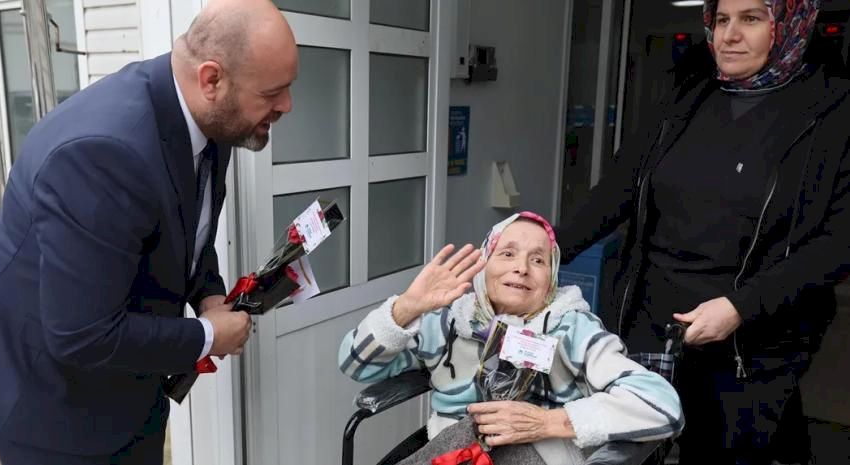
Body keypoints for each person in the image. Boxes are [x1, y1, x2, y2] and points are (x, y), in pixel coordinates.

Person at [0, 0, 297, 463]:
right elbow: (81, 335)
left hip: (123, 370)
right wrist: (207, 336)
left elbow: (190, 223)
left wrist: (208, 292)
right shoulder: (104, 154)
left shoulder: (213, 117)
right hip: (43, 393)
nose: (286, 105)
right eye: (273, 93)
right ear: (212, 79)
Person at [557, 0, 850, 463]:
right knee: (634, 446)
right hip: (651, 319)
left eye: (751, 19)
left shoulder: (833, 112)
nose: (729, 35)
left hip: (751, 339)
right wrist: (541, 247)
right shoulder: (687, 94)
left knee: (722, 450)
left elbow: (836, 244)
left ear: (789, 23)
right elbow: (618, 188)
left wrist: (740, 306)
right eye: (721, 20)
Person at [339, 212, 683, 465]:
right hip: (450, 452)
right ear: (484, 265)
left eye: (538, 260)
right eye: (507, 254)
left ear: (551, 280)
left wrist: (546, 422)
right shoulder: (447, 319)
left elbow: (664, 407)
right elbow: (355, 365)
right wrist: (405, 309)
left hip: (538, 455)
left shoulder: (572, 328)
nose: (521, 268)